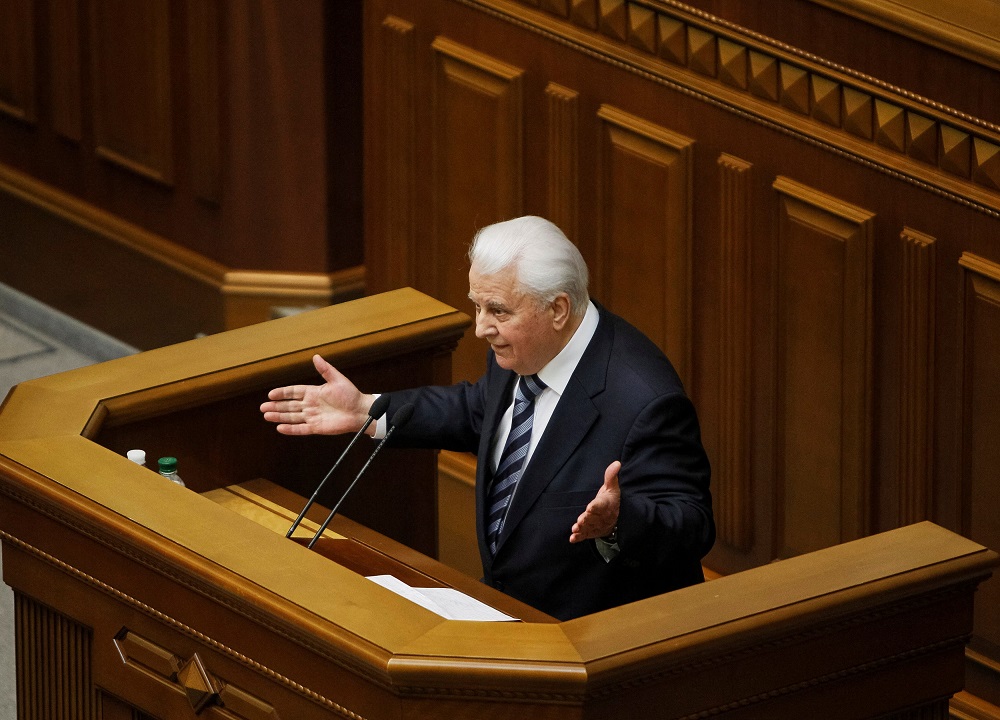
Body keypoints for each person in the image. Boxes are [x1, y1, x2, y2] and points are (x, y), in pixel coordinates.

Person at [260, 216, 714, 620]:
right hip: (510, 621)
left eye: (497, 310)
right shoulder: (525, 347)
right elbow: (479, 410)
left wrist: (621, 521)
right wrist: (369, 410)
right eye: (477, 305)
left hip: (589, 649)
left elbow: (692, 526)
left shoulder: (644, 399)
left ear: (557, 309)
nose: (480, 327)